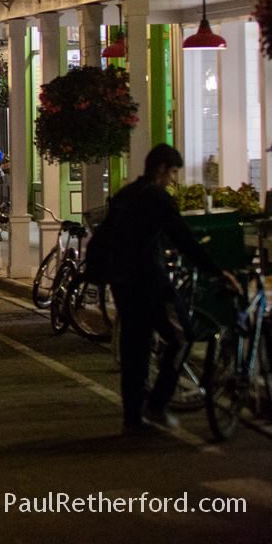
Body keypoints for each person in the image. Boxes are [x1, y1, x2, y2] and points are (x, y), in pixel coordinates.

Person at [107, 144, 240, 434]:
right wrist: (218, 272)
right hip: (149, 283)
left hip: (122, 282)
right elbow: (183, 239)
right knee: (181, 337)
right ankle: (155, 405)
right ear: (162, 169)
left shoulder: (125, 196)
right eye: (174, 172)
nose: (174, 179)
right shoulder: (156, 198)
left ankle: (132, 419)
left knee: (134, 350)